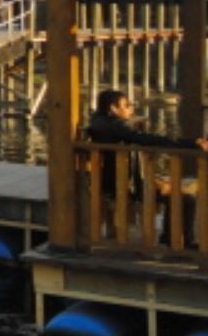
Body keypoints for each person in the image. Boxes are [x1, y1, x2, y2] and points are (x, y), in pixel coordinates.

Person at [86, 89, 208, 242]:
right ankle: (176, 240)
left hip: (117, 180)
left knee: (173, 187)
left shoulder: (99, 123)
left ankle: (169, 238)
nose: (132, 109)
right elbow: (147, 139)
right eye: (127, 105)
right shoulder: (115, 128)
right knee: (186, 197)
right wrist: (190, 143)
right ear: (113, 109)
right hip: (125, 185)